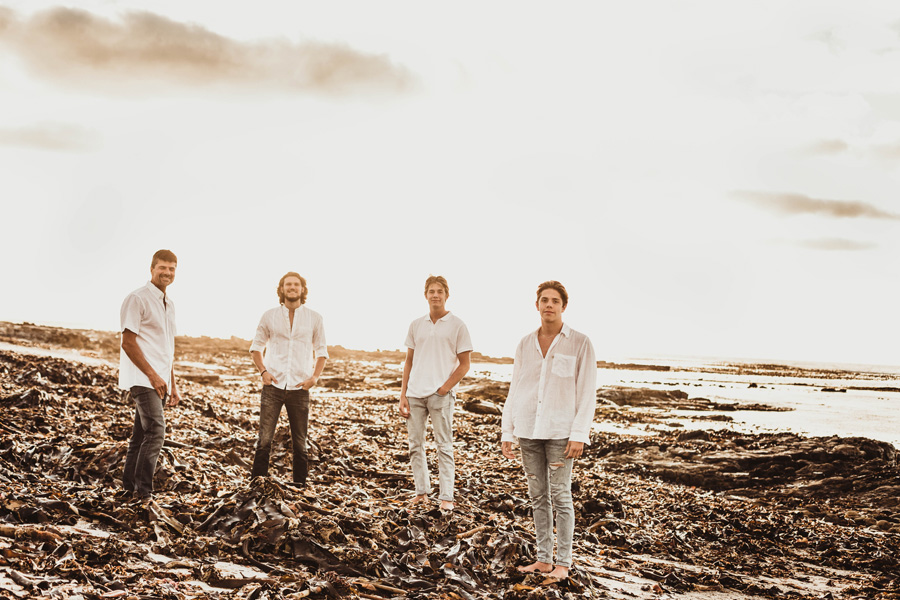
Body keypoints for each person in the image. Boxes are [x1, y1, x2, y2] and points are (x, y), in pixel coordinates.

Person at [501, 280, 597, 579]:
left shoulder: (580, 342)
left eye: (555, 300)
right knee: (537, 496)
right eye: (544, 300)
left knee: (561, 495)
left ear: (563, 306)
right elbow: (515, 388)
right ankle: (543, 559)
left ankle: (563, 564)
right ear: (537, 304)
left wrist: (580, 433)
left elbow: (587, 391)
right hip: (528, 429)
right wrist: (507, 431)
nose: (549, 305)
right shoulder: (524, 343)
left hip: (561, 433)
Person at [398, 275, 473, 511]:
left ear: (446, 295)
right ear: (425, 295)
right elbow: (409, 361)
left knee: (444, 446)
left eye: (440, 291)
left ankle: (446, 497)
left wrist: (444, 389)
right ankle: (421, 492)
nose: (435, 295)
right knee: (415, 445)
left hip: (440, 396)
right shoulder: (416, 325)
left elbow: (465, 364)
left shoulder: (458, 325)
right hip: (414, 394)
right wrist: (403, 394)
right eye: (431, 291)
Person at [249, 272, 328, 486]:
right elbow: (256, 348)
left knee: (300, 443)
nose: (292, 288)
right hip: (273, 386)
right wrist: (263, 372)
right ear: (281, 289)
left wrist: (314, 378)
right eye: (288, 285)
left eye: (296, 284)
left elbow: (322, 352)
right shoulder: (269, 316)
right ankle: (257, 484)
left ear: (302, 289)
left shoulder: (315, 318)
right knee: (264, 440)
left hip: (300, 388)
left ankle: (300, 486)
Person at [119, 249, 181, 503]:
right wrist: (154, 377)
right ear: (152, 268)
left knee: (140, 436)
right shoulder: (137, 298)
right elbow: (128, 342)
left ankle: (128, 488)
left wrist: (173, 384)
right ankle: (144, 492)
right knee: (156, 431)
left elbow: (166, 349)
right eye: (162, 268)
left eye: (172, 268)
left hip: (159, 379)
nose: (167, 272)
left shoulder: (169, 304)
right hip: (142, 378)